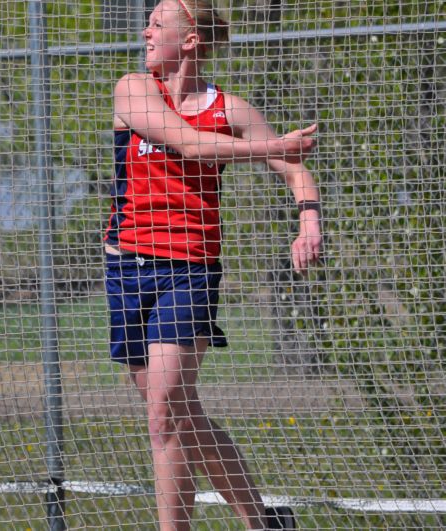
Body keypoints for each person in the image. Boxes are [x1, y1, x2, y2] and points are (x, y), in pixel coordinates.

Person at [104, 1, 322, 530]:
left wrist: (309, 220)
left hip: (188, 269)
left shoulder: (231, 109)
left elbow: (294, 171)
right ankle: (264, 521)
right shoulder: (132, 89)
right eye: (148, 21)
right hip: (126, 269)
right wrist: (274, 145)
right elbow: (188, 142)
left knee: (163, 411)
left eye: (158, 23)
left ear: (191, 39)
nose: (146, 30)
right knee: (180, 416)